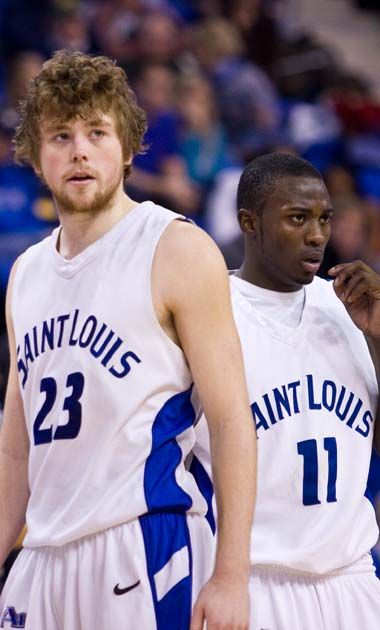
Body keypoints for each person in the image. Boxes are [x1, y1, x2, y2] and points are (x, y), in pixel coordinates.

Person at [0, 50, 256, 630]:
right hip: (41, 555)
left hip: (142, 542)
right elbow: (16, 447)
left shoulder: (175, 248)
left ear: (129, 146)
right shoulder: (26, 274)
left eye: (97, 131)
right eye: (60, 135)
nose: (80, 150)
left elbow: (232, 420)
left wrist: (233, 575)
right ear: (36, 156)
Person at [193, 152, 380, 629]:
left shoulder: (347, 307)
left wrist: (379, 338)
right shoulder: (207, 311)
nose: (317, 235)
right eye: (298, 218)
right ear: (249, 223)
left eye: (324, 219)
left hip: (351, 577)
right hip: (250, 579)